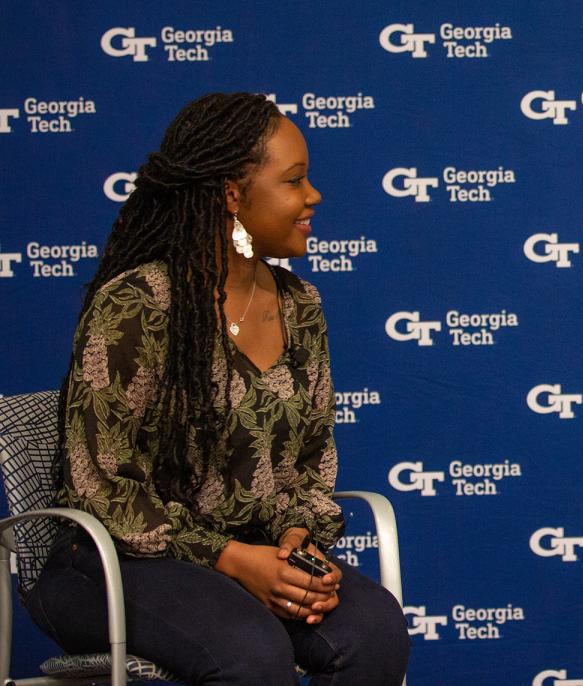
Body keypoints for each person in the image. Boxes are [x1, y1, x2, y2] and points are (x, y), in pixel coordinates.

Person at [26, 93, 409, 685]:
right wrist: (234, 561)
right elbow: (102, 487)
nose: (314, 197)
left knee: (373, 630)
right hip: (115, 561)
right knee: (249, 652)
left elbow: (311, 460)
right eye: (295, 181)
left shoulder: (299, 305)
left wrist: (294, 548)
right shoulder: (138, 305)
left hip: (254, 551)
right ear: (232, 195)